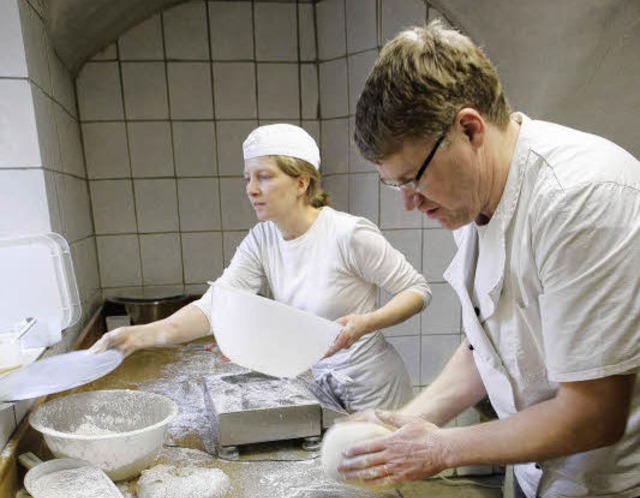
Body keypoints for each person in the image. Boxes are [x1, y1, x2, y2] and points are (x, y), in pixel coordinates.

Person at [341, 20, 640, 498]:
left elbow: (594, 413)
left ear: (469, 128)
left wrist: (439, 451)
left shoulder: (581, 199)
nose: (409, 204)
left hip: (602, 483)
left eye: (412, 180)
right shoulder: (475, 197)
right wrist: (409, 421)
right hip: (536, 468)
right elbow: (484, 346)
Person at [96, 124, 431, 412]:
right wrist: (137, 336)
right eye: (248, 178)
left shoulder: (348, 235)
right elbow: (216, 305)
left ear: (302, 183)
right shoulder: (263, 238)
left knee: (380, 487)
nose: (251, 189)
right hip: (321, 383)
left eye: (264, 177)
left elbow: (417, 290)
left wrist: (366, 323)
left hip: (373, 388)